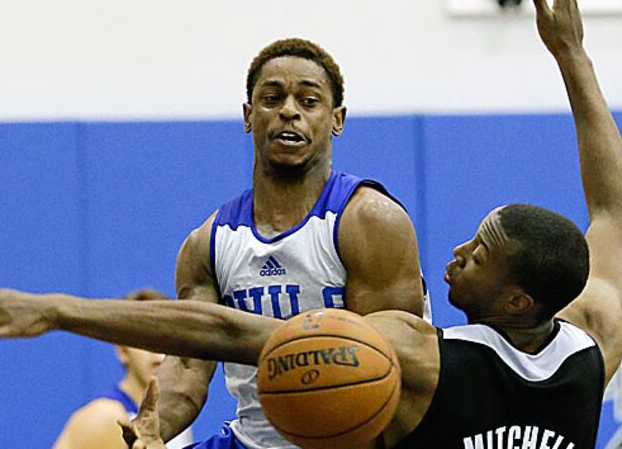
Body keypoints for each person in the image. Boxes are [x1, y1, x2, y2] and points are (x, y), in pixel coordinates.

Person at [0, 0, 622, 448]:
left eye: (478, 254)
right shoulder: (590, 342)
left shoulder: (425, 352)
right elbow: (613, 214)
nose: (454, 252)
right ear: (247, 114)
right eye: (272, 98)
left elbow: (229, 332)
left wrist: (56, 308)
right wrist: (571, 54)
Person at [130, 28, 430, 446]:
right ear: (249, 115)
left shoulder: (370, 221)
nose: (289, 111)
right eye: (272, 99)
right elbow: (186, 366)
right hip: (252, 438)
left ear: (336, 120)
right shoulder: (208, 242)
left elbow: (401, 367)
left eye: (308, 101)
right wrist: (153, 429)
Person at [52, 289, 192, 449]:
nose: (157, 349)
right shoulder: (105, 418)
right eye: (145, 338)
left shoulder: (178, 419)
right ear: (122, 350)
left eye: (167, 338)